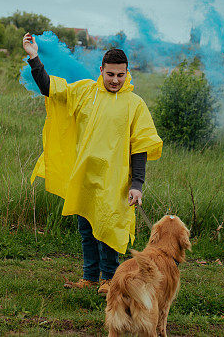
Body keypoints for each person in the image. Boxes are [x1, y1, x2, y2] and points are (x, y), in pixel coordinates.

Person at [22, 32, 163, 295]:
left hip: (115, 181)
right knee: (87, 229)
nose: (115, 80)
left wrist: (137, 184)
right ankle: (89, 277)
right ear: (101, 70)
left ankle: (110, 280)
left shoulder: (135, 104)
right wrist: (34, 58)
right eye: (110, 74)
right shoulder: (85, 91)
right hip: (85, 175)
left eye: (120, 75)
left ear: (127, 73)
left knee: (109, 230)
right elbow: (48, 87)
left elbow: (141, 146)